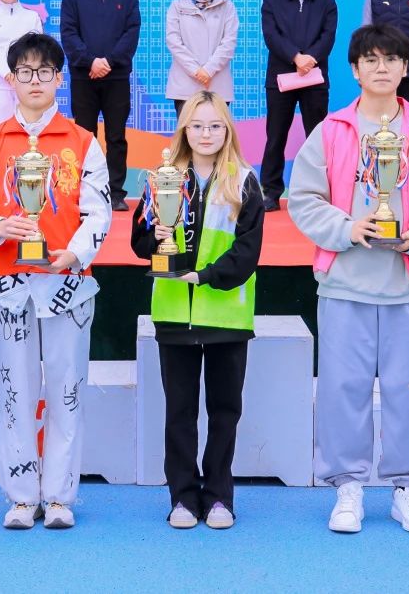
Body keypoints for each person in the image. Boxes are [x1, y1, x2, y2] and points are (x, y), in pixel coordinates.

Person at [288, 24, 409, 536]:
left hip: (406, 288)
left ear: (406, 68)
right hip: (344, 285)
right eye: (371, 59)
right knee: (342, 390)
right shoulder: (331, 131)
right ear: (355, 70)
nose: (381, 67)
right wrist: (347, 228)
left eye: (391, 59)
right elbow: (303, 199)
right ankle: (347, 488)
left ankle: (408, 489)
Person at [0, 32, 112, 531]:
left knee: (67, 391)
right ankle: (22, 498)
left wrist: (75, 254)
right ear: (11, 79)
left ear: (59, 79)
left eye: (45, 72)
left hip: (68, 284)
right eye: (25, 72)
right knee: (14, 392)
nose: (35, 81)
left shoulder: (83, 141)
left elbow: (99, 212)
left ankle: (61, 497)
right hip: (7, 283)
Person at [130, 91, 263, 530]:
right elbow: (139, 243)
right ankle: (183, 498)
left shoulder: (244, 180)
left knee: (225, 412)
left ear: (227, 130)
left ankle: (219, 496)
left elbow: (247, 252)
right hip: (174, 315)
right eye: (197, 125)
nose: (206, 134)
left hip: (227, 317)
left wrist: (204, 276)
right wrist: (156, 236)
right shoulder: (163, 178)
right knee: (180, 413)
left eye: (215, 126)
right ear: (184, 129)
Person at [59, 0, 141, 211]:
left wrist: (108, 62)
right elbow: (69, 34)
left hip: (116, 78)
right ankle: (86, 190)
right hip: (84, 78)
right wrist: (91, 62)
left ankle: (115, 192)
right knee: (85, 135)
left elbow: (131, 35)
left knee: (116, 136)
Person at [259, 0, 337, 212]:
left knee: (317, 138)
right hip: (281, 77)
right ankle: (271, 192)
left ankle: (319, 191)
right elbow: (272, 36)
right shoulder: (272, 1)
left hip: (315, 78)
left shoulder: (326, 2)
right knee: (275, 136)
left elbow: (328, 37)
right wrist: (296, 57)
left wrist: (310, 58)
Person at [165, 0, 239, 118]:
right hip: (185, 84)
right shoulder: (177, 6)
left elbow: (229, 42)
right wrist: (196, 70)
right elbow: (173, 41)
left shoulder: (227, 6)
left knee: (217, 129)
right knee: (188, 130)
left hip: (217, 82)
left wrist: (209, 70)